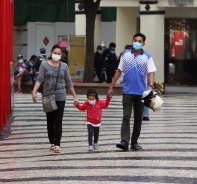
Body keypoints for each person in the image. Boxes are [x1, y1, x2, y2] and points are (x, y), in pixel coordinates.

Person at [107, 33, 156, 150]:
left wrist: (151, 86)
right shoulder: (125, 55)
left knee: (138, 118)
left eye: (140, 41)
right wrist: (111, 86)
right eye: (135, 40)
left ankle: (134, 141)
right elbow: (119, 71)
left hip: (141, 92)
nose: (137, 42)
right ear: (132, 40)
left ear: (144, 43)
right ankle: (124, 140)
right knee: (126, 116)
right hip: (127, 91)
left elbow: (151, 73)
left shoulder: (147, 57)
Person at [32, 44, 78, 153]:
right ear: (51, 52)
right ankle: (52, 142)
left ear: (61, 55)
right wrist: (34, 91)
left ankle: (57, 144)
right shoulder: (44, 65)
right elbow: (39, 79)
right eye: (55, 53)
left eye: (58, 54)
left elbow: (69, 81)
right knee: (50, 121)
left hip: (60, 95)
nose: (56, 55)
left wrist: (75, 96)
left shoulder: (64, 66)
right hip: (47, 95)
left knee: (58, 120)